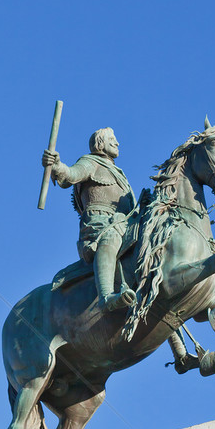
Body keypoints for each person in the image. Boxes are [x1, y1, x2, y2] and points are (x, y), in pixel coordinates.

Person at [43, 128, 137, 314]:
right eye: (112, 139)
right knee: (110, 239)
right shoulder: (90, 162)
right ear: (100, 143)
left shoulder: (120, 174)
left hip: (123, 223)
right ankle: (106, 297)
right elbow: (70, 174)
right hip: (100, 224)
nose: (117, 143)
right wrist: (56, 164)